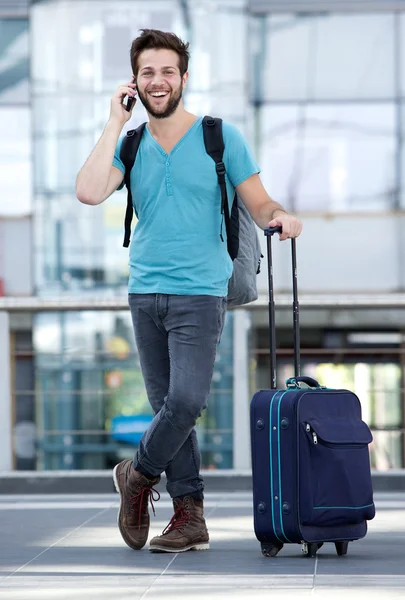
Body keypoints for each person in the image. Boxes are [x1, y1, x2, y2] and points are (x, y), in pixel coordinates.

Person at [76, 29, 302, 554]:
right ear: (135, 81)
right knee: (164, 408)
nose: (159, 81)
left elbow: (260, 203)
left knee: (185, 400)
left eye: (168, 71)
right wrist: (115, 120)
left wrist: (281, 216)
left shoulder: (219, 136)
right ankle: (189, 518)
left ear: (183, 77)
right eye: (147, 72)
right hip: (144, 291)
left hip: (200, 290)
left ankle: (137, 475)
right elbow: (89, 191)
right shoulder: (130, 144)